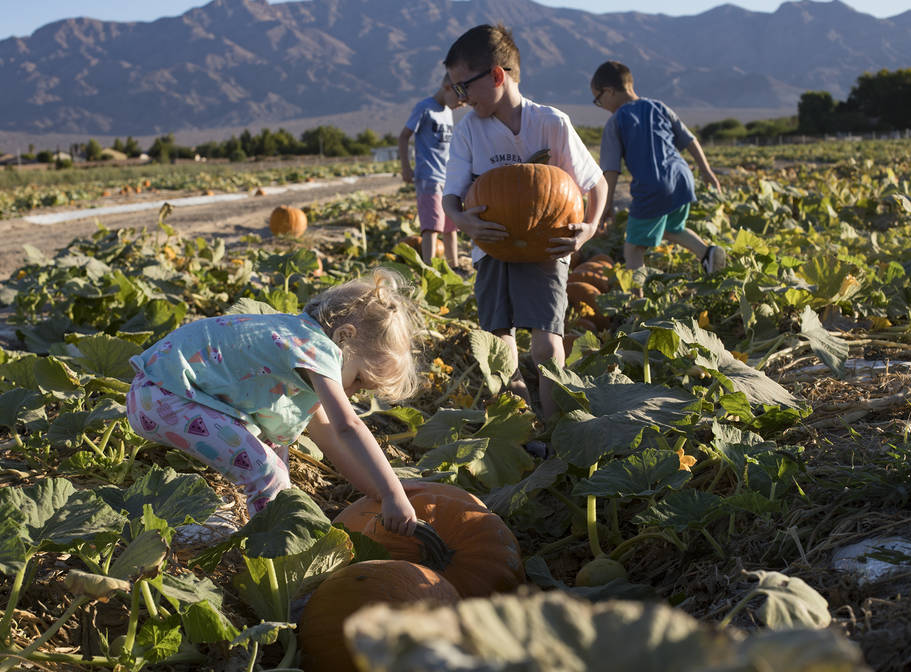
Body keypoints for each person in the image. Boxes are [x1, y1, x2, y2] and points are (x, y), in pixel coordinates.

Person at [125, 269, 420, 535]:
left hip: (161, 394)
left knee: (277, 461)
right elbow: (348, 426)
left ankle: (233, 529)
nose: (354, 394)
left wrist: (375, 492)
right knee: (268, 473)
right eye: (359, 380)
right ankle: (259, 550)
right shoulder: (318, 349)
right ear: (344, 337)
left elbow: (329, 438)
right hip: (163, 396)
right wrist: (394, 491)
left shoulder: (299, 341)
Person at [441, 24, 607, 422]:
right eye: (455, 90)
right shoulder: (469, 132)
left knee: (547, 343)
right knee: (500, 343)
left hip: (546, 246)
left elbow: (595, 182)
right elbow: (450, 196)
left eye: (464, 88)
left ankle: (552, 426)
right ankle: (522, 426)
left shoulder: (551, 122)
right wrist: (465, 221)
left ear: (497, 75)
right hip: (491, 246)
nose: (460, 100)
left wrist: (589, 228)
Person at [591, 60, 725, 285]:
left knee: (633, 248)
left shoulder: (616, 122)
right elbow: (690, 140)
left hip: (653, 186)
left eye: (598, 99)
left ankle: (637, 304)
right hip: (683, 178)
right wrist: (706, 170)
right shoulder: (659, 107)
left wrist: (605, 207)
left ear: (609, 91)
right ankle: (707, 254)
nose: (600, 105)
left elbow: (611, 171)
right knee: (672, 228)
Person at [399, 75, 464, 270]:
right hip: (428, 177)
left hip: (448, 177)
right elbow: (403, 137)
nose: (462, 104)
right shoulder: (424, 108)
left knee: (451, 225)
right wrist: (406, 167)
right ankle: (429, 269)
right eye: (459, 98)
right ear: (447, 88)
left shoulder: (448, 112)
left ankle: (455, 267)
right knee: (432, 226)